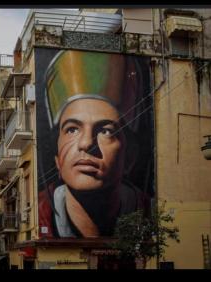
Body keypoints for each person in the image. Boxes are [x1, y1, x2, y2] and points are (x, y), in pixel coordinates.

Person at [38, 50, 151, 238]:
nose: (86, 143)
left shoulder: (151, 215)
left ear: (130, 156)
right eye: (72, 129)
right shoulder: (42, 216)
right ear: (57, 158)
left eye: (106, 131)